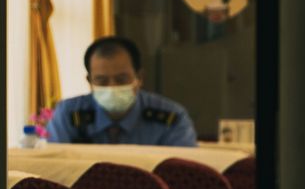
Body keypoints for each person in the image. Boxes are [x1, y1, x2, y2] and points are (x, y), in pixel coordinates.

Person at [47, 36, 197, 147]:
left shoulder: (171, 118)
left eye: (121, 79)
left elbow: (183, 176)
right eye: (102, 80)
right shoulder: (67, 114)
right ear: (89, 81)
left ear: (139, 78)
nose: (112, 87)